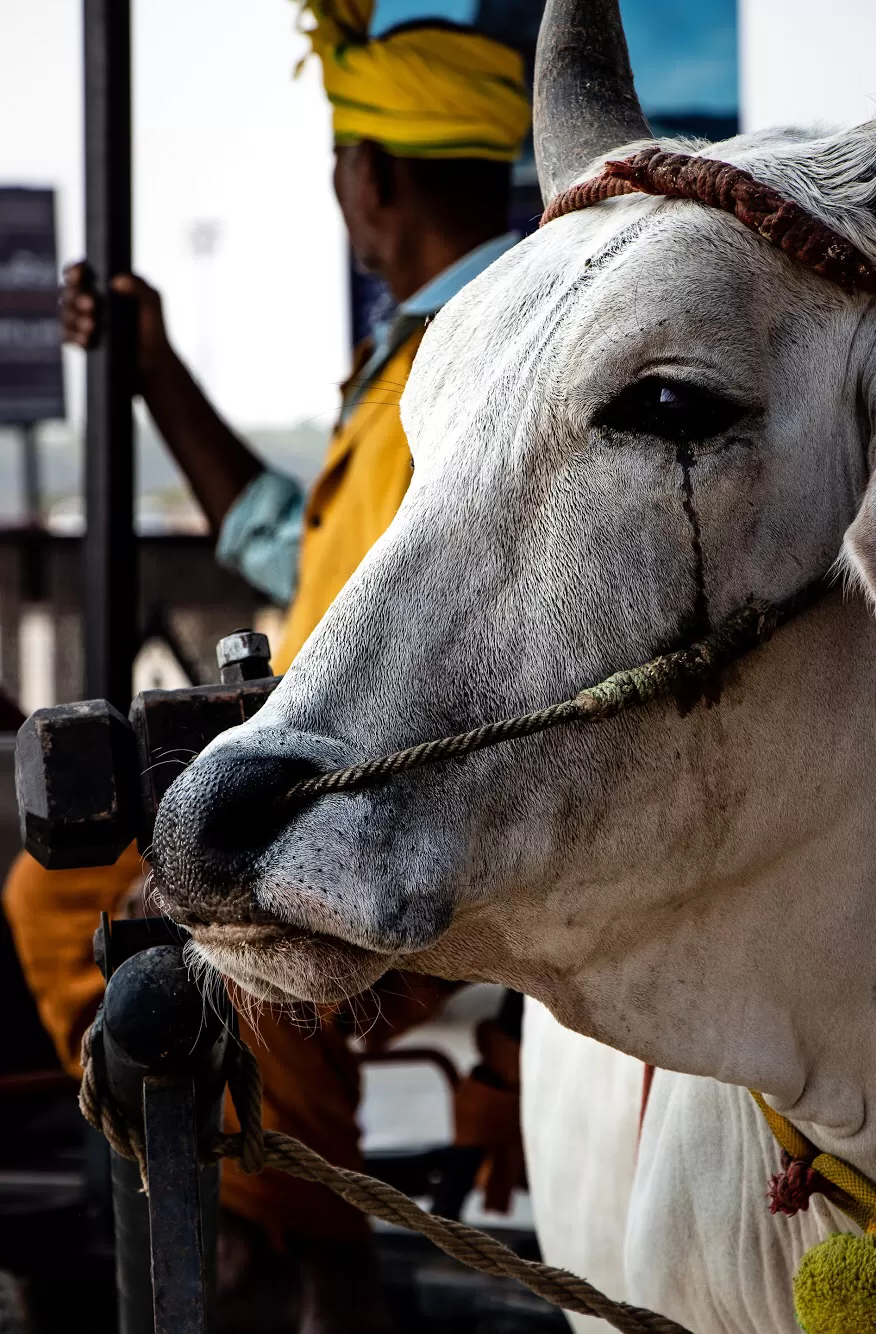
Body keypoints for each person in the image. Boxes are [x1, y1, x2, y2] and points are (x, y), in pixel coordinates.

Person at [4, 5, 530, 1331]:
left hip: (372, 840)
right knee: (84, 918)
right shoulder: (432, 357)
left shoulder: (471, 376)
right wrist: (158, 368)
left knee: (131, 951)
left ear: (378, 178)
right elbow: (288, 547)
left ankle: (261, 1228)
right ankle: (262, 1203)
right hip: (310, 809)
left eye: (341, 163)